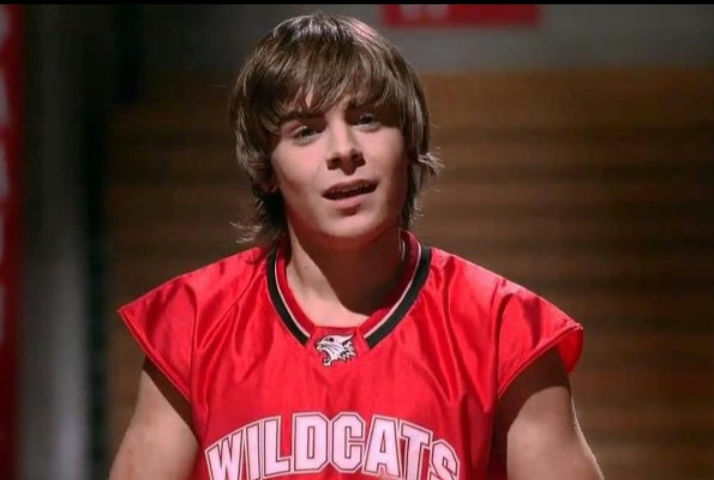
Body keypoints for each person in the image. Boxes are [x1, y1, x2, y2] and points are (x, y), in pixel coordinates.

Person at [109, 12, 604, 480]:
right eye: (306, 131)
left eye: (367, 119)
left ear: (410, 143)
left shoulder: (506, 331)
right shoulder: (193, 323)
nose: (344, 150)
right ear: (266, 170)